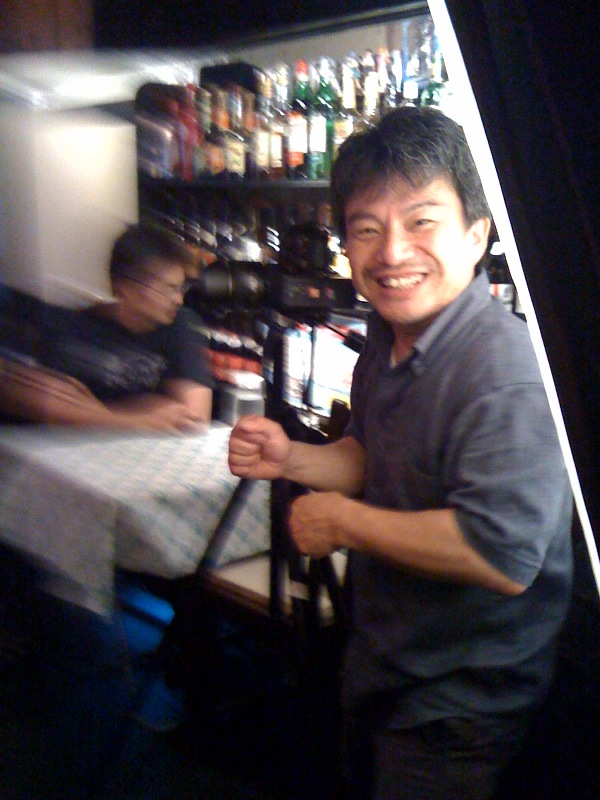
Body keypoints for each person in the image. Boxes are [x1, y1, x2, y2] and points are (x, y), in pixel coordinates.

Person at [228, 106, 573, 799]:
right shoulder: (386, 340)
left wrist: (344, 523)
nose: (391, 252)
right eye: (366, 228)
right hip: (386, 660)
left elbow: (500, 555)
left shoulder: (505, 369)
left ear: (476, 234)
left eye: (421, 221)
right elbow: (370, 456)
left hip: (463, 699)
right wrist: (291, 459)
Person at [0, 222, 214, 431]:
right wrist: (131, 417)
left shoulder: (181, 327)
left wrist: (85, 409)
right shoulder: (69, 326)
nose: (178, 300)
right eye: (168, 289)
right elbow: (31, 396)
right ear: (124, 287)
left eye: (180, 289)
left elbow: (192, 421)